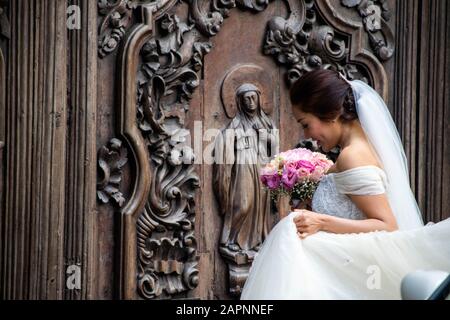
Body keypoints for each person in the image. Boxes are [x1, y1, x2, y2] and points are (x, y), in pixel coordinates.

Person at [240, 69, 450, 299]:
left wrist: (320, 221)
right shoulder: (359, 148)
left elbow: (387, 225)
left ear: (329, 114)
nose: (307, 134)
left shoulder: (353, 155)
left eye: (305, 123)